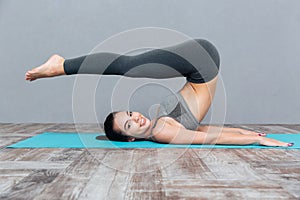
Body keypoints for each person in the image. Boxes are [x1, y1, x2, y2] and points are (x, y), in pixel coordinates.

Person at [25, 39, 294, 147]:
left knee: (132, 67)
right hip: (202, 63)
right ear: (130, 139)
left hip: (199, 63)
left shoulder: (158, 127)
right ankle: (61, 65)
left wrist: (253, 138)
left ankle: (61, 65)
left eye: (131, 113)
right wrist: (256, 138)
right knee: (130, 67)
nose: (138, 118)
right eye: (131, 124)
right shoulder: (162, 132)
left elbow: (206, 132)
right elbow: (208, 136)